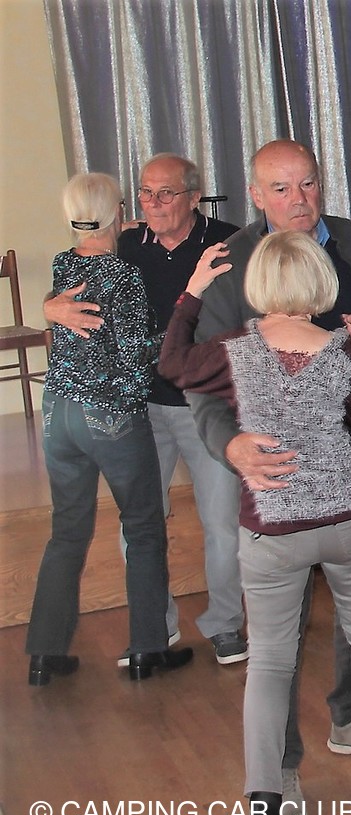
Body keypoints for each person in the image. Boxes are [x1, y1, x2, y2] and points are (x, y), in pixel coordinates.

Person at [160, 232, 351, 815]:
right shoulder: (345, 350)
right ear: (321, 283)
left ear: (258, 284)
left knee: (270, 663)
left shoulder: (233, 350)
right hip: (348, 523)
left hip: (274, 529)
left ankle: (264, 808)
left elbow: (172, 365)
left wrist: (193, 293)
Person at [43, 153, 246, 666]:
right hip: (137, 409)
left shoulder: (229, 243)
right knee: (137, 524)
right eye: (144, 192)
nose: (151, 203)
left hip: (205, 403)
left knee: (222, 524)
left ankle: (226, 626)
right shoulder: (126, 244)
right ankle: (156, 629)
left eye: (165, 193)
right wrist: (50, 306)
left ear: (194, 197)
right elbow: (74, 281)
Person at [25, 172, 194, 686]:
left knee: (66, 532)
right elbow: (135, 354)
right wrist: (181, 328)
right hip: (111, 414)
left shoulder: (63, 263)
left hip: (58, 411)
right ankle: (147, 648)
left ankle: (44, 654)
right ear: (116, 212)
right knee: (142, 529)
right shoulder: (124, 275)